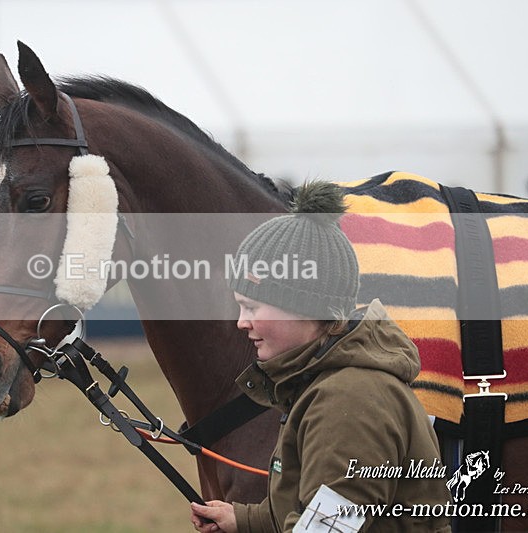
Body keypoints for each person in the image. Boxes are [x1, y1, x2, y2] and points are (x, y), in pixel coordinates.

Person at [190, 182, 450, 532]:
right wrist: (246, 521)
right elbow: (311, 507)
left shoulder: (350, 399)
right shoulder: (324, 382)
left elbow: (329, 528)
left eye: (251, 306)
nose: (242, 322)